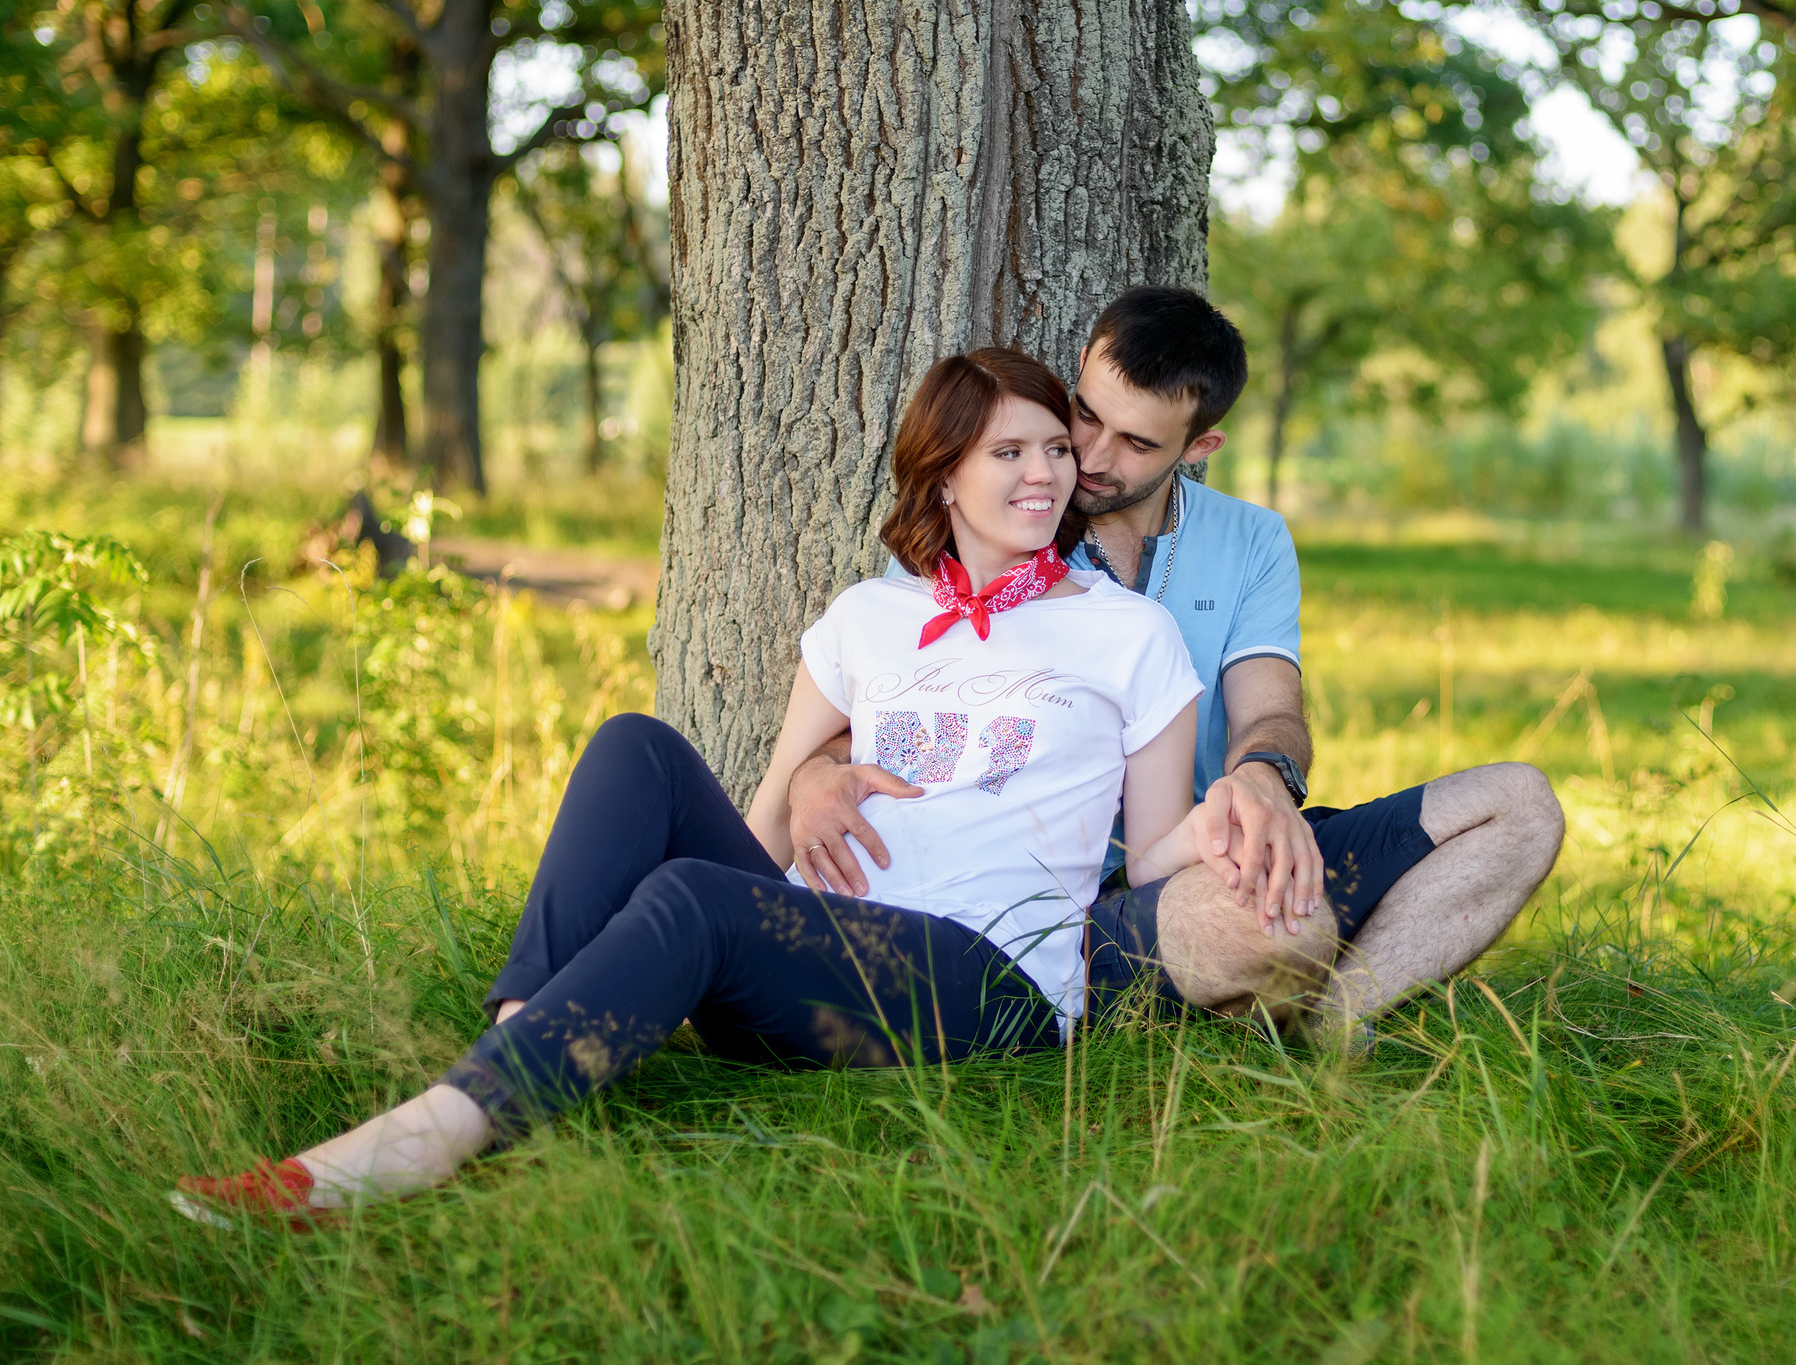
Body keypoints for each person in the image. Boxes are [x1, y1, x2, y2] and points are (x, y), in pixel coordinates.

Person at [173, 348, 1212, 1224]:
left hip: (987, 981)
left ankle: (427, 1137)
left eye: (1053, 449)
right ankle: (521, 1041)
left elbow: (1156, 852)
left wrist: (1248, 811)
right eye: (1008, 451)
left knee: (691, 898)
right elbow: (766, 818)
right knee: (637, 744)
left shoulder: (1127, 631)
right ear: (943, 476)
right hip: (818, 954)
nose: (1044, 474)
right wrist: (787, 828)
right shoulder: (868, 617)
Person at [784, 288, 1566, 1045]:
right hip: (1061, 907)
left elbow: (1270, 710)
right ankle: (1263, 971)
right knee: (1286, 923)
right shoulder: (999, 518)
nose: (1086, 457)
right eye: (1086, 415)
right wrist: (810, 776)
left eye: (1138, 443)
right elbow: (875, 698)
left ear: (1199, 448)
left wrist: (1262, 782)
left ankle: (1338, 1014)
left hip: (1199, 852)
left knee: (1519, 805)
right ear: (1081, 364)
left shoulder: (1252, 540)